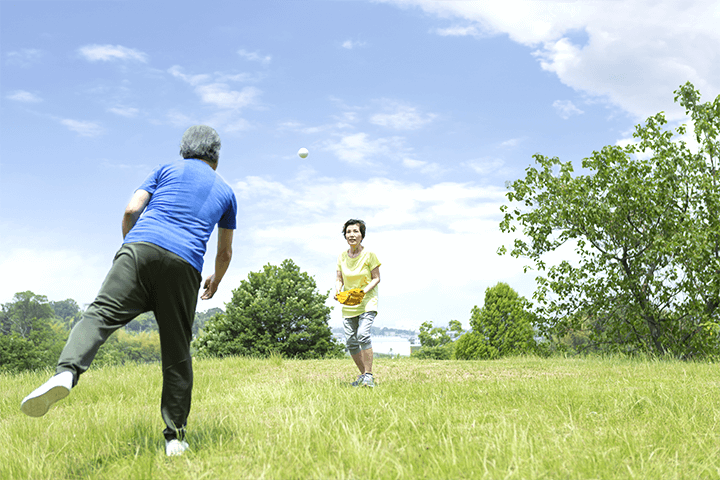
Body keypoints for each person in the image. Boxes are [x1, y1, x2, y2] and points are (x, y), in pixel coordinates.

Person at [20, 125, 237, 457]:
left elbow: (131, 210)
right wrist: (216, 279)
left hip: (138, 249)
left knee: (99, 315)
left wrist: (131, 249)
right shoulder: (227, 193)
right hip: (185, 264)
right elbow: (224, 253)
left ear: (183, 149)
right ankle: (175, 438)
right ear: (216, 156)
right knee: (177, 351)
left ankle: (66, 373)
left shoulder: (165, 169)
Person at [334, 219, 381, 387]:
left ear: (362, 235)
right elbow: (339, 279)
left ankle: (369, 375)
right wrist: (338, 290)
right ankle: (364, 375)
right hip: (348, 303)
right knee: (351, 342)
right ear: (345, 235)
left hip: (367, 301)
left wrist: (363, 292)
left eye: (355, 231)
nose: (351, 235)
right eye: (348, 232)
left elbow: (377, 278)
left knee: (362, 335)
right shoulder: (341, 256)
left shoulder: (369, 255)